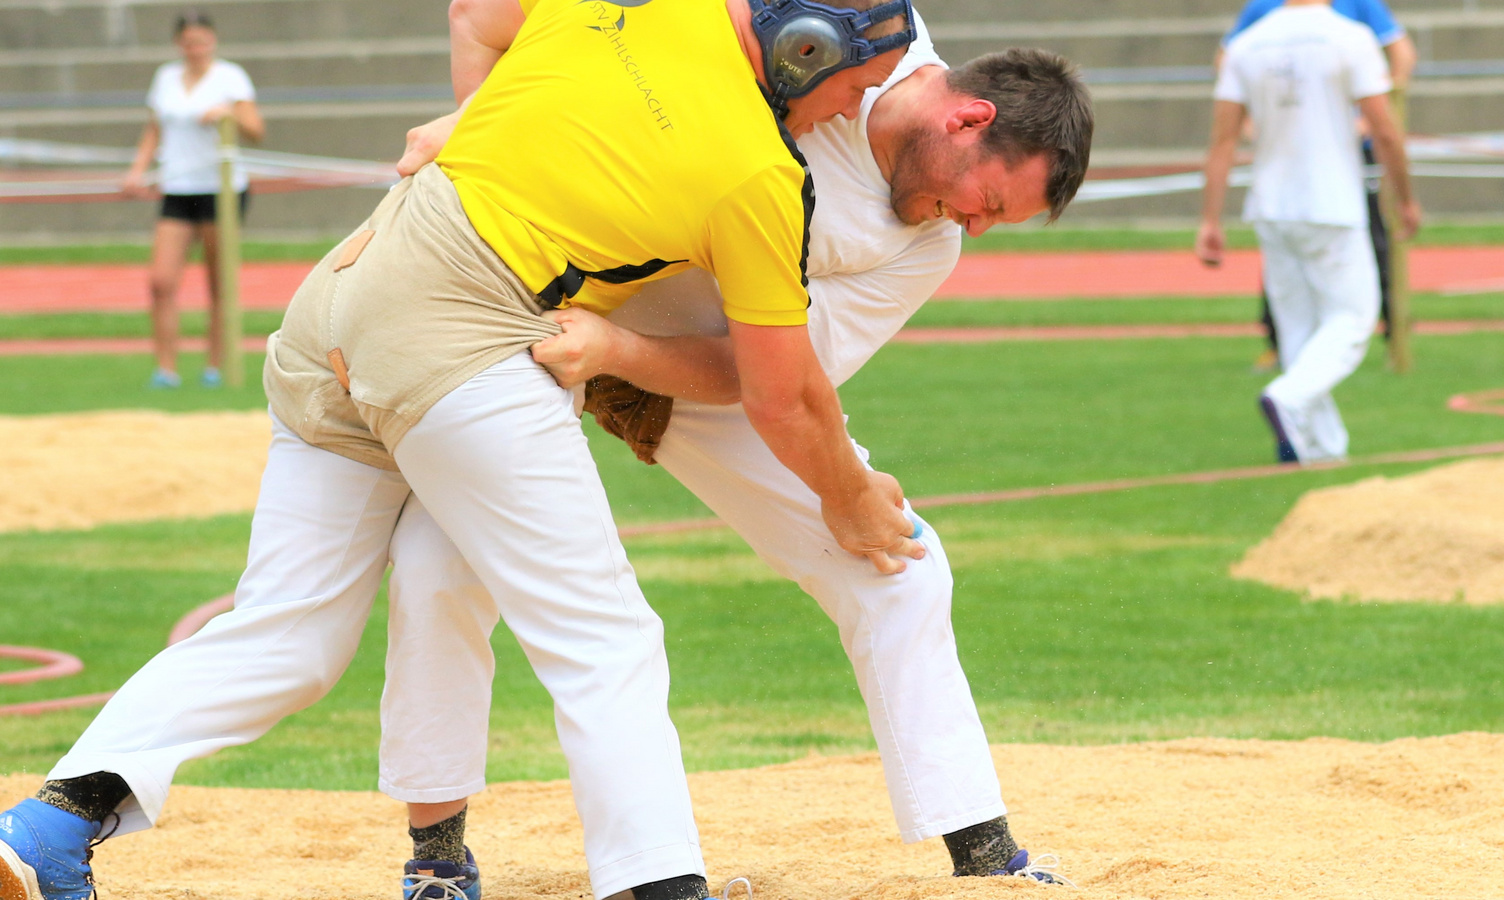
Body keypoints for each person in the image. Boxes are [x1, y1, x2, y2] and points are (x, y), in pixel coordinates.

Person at [0, 2, 919, 899]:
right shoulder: (757, 169)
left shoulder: (620, 10)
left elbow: (475, 10)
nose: (848, 113)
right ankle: (660, 886)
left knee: (289, 637)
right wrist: (845, 496)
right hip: (465, 334)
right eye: (856, 87)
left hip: (345, 294)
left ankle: (49, 826)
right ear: (805, 47)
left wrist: (483, 116)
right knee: (602, 635)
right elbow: (782, 392)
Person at [380, 8, 1094, 894]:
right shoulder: (842, 33)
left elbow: (780, 384)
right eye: (988, 202)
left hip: (701, 364)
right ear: (968, 119)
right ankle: (438, 856)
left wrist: (618, 356)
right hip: (518, 280)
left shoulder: (926, 243)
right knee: (440, 566)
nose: (973, 229)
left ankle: (984, 857)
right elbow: (494, 18)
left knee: (900, 563)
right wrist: (494, 124)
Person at [1197, 0, 1421, 463]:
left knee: (1299, 329)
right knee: (1355, 320)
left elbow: (1222, 140)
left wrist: (1211, 219)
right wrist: (1404, 197)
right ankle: (1288, 398)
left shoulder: (1246, 42)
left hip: (1271, 204)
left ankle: (1321, 448)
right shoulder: (1348, 37)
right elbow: (1385, 130)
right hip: (1331, 200)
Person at [120, 10, 264, 389]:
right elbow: (154, 129)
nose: (196, 49)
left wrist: (227, 113)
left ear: (212, 41)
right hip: (178, 188)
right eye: (189, 43)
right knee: (161, 281)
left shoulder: (230, 78)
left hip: (221, 191)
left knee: (218, 282)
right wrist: (137, 169)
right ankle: (166, 369)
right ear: (178, 44)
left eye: (202, 42)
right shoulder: (165, 77)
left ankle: (214, 366)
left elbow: (255, 130)